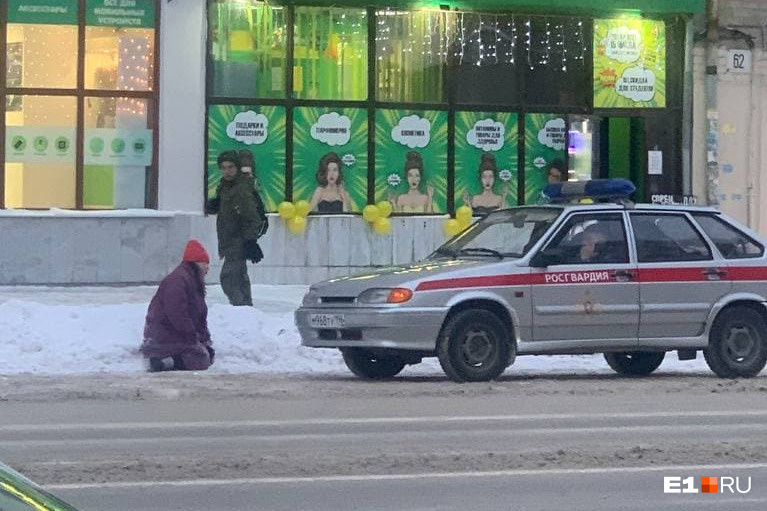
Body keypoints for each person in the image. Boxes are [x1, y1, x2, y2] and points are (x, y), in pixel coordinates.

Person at [140, 239, 215, 372]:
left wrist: (204, 338)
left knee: (204, 355)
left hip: (174, 334)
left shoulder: (190, 280)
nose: (208, 268)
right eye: (206, 263)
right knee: (200, 358)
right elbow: (177, 313)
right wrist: (192, 336)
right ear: (196, 263)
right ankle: (162, 362)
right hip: (164, 336)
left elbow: (199, 317)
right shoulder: (178, 280)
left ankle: (167, 361)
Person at [206, 150, 265, 306]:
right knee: (240, 277)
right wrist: (215, 204)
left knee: (228, 278)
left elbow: (251, 217)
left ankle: (241, 309)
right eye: (224, 167)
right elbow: (228, 209)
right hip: (229, 239)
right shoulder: (225, 186)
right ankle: (247, 311)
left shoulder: (241, 189)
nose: (227, 171)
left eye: (231, 167)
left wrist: (250, 241)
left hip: (238, 241)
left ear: (238, 167)